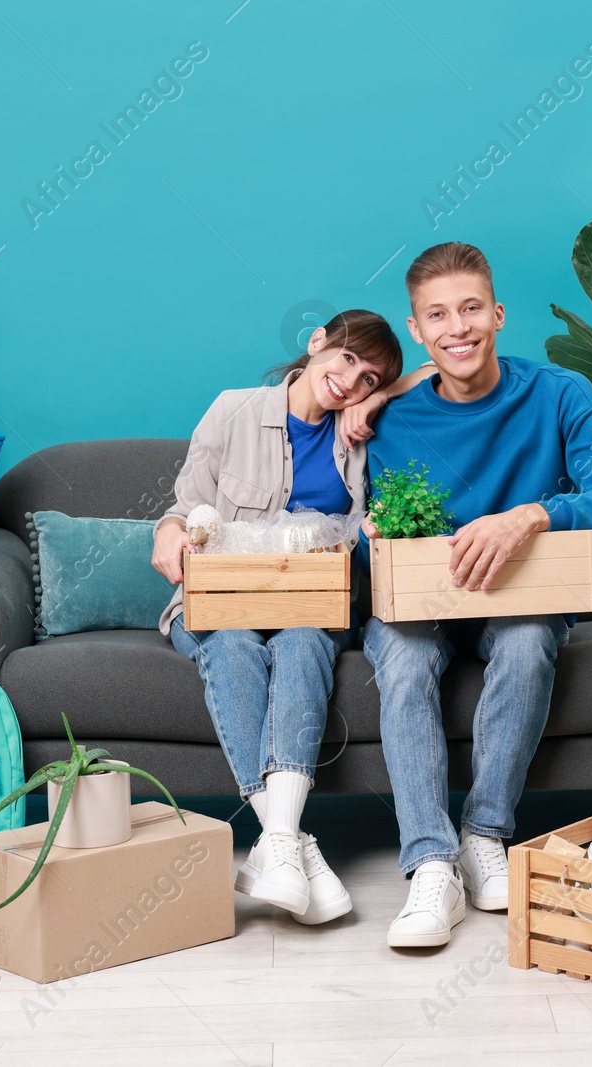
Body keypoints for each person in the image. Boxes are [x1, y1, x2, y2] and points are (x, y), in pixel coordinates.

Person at [360, 242, 592, 948]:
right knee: (399, 657)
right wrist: (376, 535)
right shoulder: (389, 420)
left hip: (519, 596)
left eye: (469, 309)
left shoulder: (559, 394)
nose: (456, 328)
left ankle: (484, 831)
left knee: (526, 640)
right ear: (419, 332)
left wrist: (531, 514)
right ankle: (431, 864)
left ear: (497, 314)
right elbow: (374, 537)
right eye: (437, 315)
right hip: (419, 605)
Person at [153, 309, 403, 924]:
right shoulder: (234, 409)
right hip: (220, 601)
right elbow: (187, 505)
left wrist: (379, 399)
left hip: (311, 603)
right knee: (233, 643)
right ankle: (290, 843)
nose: (351, 381)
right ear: (316, 342)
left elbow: (434, 372)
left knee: (302, 642)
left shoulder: (362, 437)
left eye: (369, 377)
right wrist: (168, 529)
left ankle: (277, 847)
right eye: (347, 359)